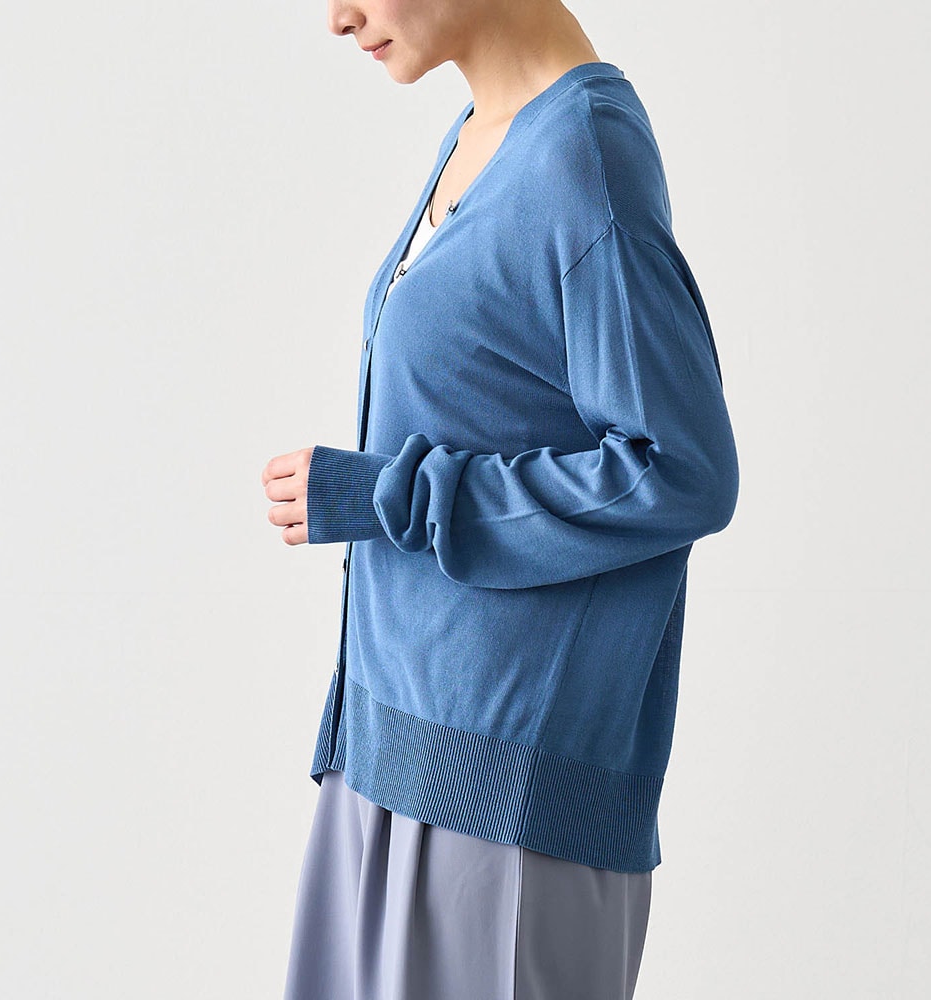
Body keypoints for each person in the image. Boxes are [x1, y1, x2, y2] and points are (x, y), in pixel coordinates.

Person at [261, 1, 740, 997]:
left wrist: (385, 494)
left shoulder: (584, 159)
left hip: (502, 801)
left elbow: (679, 469)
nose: (339, 17)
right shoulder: (484, 132)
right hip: (390, 757)